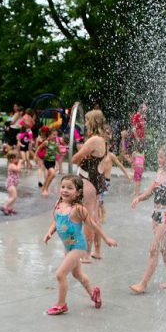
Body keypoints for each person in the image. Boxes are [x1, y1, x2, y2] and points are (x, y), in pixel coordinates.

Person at [42, 175, 117, 315]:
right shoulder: (59, 204)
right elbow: (56, 221)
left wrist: (106, 239)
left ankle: (61, 305)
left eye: (70, 188)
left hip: (78, 247)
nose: (65, 190)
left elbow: (93, 224)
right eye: (63, 187)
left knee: (60, 274)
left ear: (78, 192)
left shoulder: (78, 209)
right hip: (68, 247)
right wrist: (49, 233)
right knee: (77, 274)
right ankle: (93, 293)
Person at [129, 145, 166, 293]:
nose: (158, 160)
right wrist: (139, 198)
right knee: (163, 249)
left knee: (153, 248)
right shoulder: (160, 172)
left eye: (161, 157)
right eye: (158, 156)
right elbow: (150, 192)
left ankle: (143, 284)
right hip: (156, 215)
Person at [71, 109, 109, 263]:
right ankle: (97, 251)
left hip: (88, 180)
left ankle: (86, 254)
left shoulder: (93, 140)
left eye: (87, 121)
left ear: (92, 122)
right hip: (96, 179)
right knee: (94, 217)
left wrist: (76, 153)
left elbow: (74, 159)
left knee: (88, 218)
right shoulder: (102, 139)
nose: (85, 124)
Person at [36, 127, 61, 197]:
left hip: (53, 161)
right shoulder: (47, 142)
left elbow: (59, 152)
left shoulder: (56, 143)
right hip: (47, 161)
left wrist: (62, 149)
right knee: (53, 174)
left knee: (48, 176)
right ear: (49, 135)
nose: (55, 136)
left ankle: (44, 187)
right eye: (53, 134)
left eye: (56, 135)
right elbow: (39, 148)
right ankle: (46, 189)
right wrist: (35, 156)